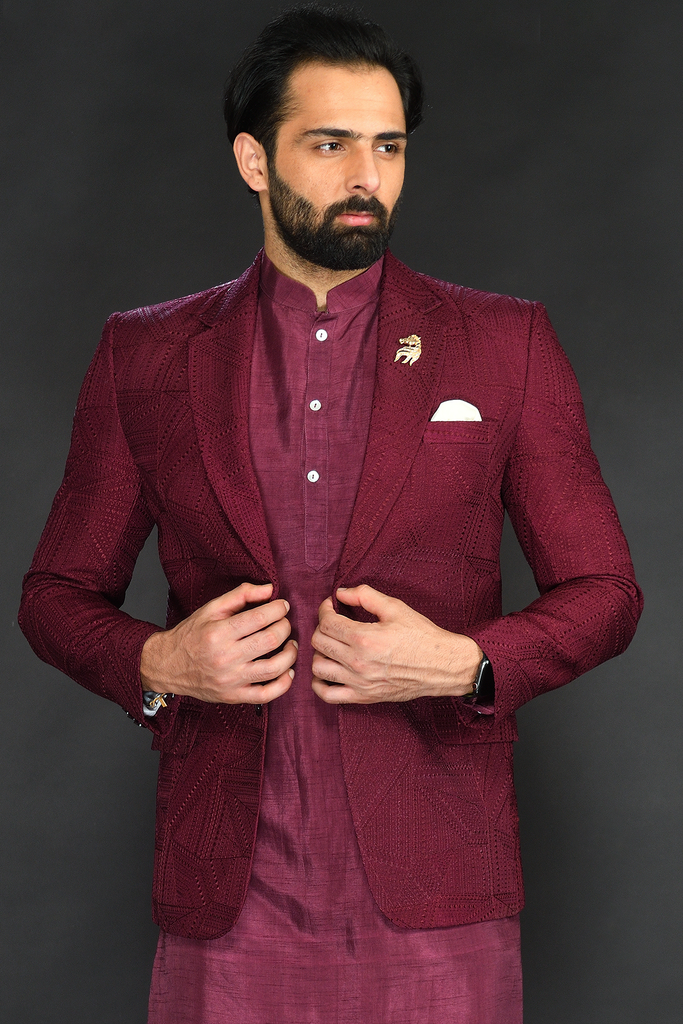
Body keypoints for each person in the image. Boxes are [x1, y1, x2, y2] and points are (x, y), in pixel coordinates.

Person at [19, 7, 643, 1023]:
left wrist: (467, 663)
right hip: (226, 899)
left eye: (387, 146)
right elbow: (54, 594)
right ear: (252, 160)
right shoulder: (146, 355)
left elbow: (605, 591)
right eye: (330, 144)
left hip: (439, 890)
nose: (367, 176)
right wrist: (157, 662)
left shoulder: (503, 344)